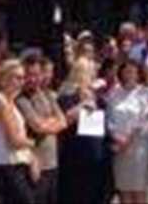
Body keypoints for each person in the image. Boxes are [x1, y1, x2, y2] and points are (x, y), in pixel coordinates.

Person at [57, 57, 110, 204]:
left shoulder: (99, 99)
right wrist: (82, 106)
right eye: (89, 72)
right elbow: (64, 120)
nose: (92, 75)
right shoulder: (67, 97)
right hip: (76, 157)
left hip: (98, 157)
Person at [16, 55, 68, 204]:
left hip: (53, 162)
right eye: (29, 75)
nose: (33, 79)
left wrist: (47, 123)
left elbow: (63, 122)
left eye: (36, 74)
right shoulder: (21, 99)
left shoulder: (47, 94)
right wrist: (52, 121)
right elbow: (37, 127)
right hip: (36, 164)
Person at [0, 59, 39, 202]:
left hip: (18, 164)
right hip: (8, 166)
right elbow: (14, 140)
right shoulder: (0, 102)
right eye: (17, 77)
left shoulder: (10, 101)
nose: (21, 81)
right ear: (4, 79)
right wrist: (34, 143)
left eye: (22, 78)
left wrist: (32, 158)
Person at [107, 59, 148, 204]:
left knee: (139, 191)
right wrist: (116, 136)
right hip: (119, 147)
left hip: (138, 146)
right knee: (124, 191)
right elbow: (109, 118)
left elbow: (143, 119)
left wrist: (128, 139)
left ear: (138, 74)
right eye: (126, 71)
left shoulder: (144, 93)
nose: (130, 74)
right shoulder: (114, 93)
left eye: (133, 71)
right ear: (121, 73)